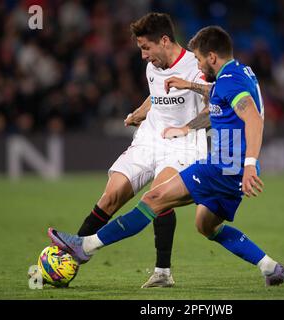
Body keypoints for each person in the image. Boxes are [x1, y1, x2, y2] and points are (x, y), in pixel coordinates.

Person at [48, 26, 284, 287]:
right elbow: (220, 95)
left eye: (198, 58)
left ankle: (85, 246)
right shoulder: (239, 72)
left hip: (222, 165)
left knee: (154, 198)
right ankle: (271, 267)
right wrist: (189, 88)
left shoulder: (229, 81)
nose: (196, 63)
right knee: (206, 226)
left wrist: (250, 164)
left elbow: (253, 118)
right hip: (231, 170)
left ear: (211, 57)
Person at [74, 12, 211, 288]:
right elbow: (158, 94)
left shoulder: (195, 67)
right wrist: (141, 111)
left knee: (157, 196)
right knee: (111, 196)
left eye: (146, 48)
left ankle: (162, 272)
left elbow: (216, 103)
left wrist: (186, 127)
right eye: (140, 49)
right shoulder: (153, 66)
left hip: (184, 143)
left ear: (164, 40)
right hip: (149, 138)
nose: (143, 56)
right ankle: (68, 258)